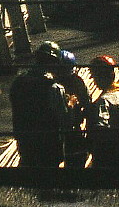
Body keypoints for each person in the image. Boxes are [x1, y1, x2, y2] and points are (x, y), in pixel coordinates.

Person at [8, 40, 70, 169]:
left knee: (28, 170)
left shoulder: (18, 82)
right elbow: (63, 118)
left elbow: (16, 107)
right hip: (48, 142)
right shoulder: (54, 88)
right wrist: (71, 106)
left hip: (25, 139)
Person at [54, 49, 91, 167]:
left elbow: (86, 102)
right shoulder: (53, 85)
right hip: (58, 126)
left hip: (73, 125)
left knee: (75, 155)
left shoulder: (77, 81)